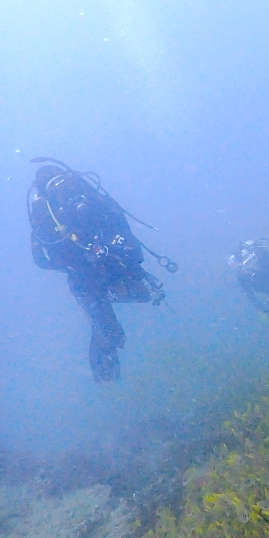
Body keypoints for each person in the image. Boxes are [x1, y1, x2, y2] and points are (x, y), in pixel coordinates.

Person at [28, 159, 166, 382]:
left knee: (132, 306)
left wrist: (121, 256)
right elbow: (44, 259)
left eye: (65, 185)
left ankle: (108, 377)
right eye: (58, 188)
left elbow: (44, 260)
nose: (65, 192)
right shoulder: (53, 213)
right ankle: (108, 379)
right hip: (95, 275)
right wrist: (87, 259)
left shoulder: (79, 202)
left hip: (100, 272)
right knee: (111, 329)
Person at [230, 239, 269, 316]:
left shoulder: (264, 256)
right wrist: (263, 310)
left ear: (255, 256)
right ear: (242, 265)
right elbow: (250, 295)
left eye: (253, 259)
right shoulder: (242, 275)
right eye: (248, 263)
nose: (252, 264)